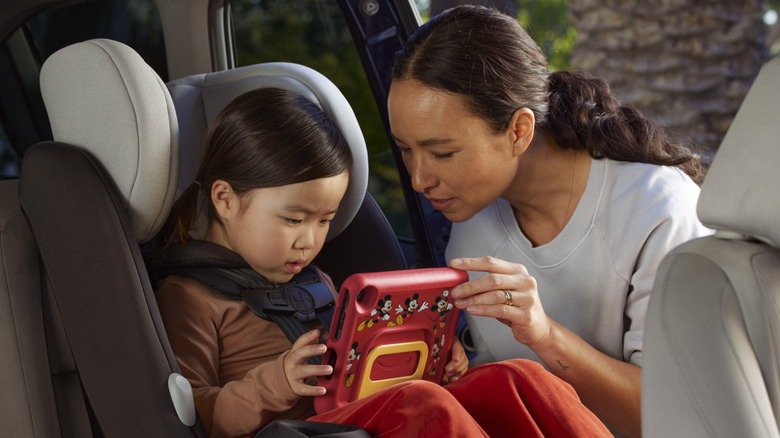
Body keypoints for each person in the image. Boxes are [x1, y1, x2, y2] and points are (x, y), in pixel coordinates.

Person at [149, 87, 612, 438]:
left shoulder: (317, 281)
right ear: (225, 199)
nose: (309, 241)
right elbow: (197, 415)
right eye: (293, 219)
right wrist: (275, 384)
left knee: (518, 376)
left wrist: (428, 356)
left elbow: (357, 366)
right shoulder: (189, 296)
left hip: (358, 417)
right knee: (423, 404)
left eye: (325, 219)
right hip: (295, 431)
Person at [387, 5, 712, 438]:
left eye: (443, 153)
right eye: (406, 150)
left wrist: (543, 334)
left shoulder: (659, 211)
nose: (419, 179)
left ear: (519, 131)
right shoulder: (470, 223)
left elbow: (677, 416)